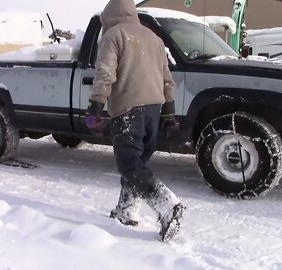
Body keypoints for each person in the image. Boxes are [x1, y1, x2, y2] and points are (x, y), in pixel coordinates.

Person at [85, 0, 186, 242]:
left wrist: (95, 107)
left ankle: (167, 205)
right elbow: (166, 78)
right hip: (154, 108)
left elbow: (105, 73)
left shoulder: (113, 35)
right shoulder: (154, 38)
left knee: (129, 164)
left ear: (109, 16)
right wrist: (168, 112)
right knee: (137, 162)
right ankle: (126, 211)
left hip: (128, 108)